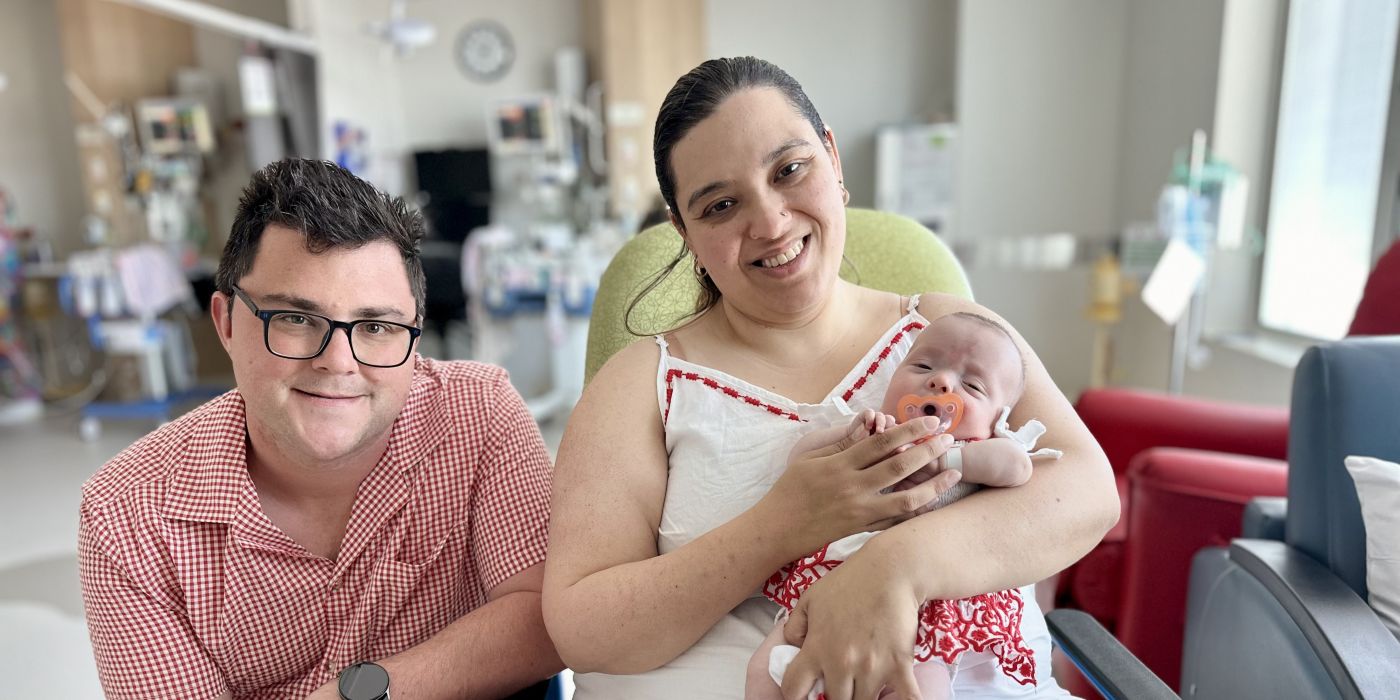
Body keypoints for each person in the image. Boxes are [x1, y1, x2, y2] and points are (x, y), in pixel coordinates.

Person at [542, 56, 1117, 700]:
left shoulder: (952, 335)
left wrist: (893, 570)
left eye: (790, 170)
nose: (769, 222)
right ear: (684, 231)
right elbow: (585, 631)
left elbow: (1087, 493)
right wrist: (783, 523)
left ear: (833, 159)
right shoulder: (641, 385)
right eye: (721, 205)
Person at [77, 159, 562, 699]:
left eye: (376, 326)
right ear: (226, 323)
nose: (338, 362)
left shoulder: (478, 413)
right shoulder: (127, 516)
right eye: (294, 319)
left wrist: (361, 693)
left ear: (415, 342)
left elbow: (546, 619)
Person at [749, 311, 1067, 699]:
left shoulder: (976, 451)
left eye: (972, 385)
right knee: (764, 670)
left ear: (997, 420)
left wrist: (944, 460)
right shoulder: (869, 432)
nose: (942, 381)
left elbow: (1017, 467)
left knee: (920, 688)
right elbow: (798, 460)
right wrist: (850, 440)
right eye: (923, 365)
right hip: (828, 586)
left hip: (920, 609)